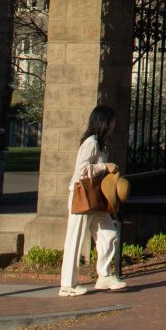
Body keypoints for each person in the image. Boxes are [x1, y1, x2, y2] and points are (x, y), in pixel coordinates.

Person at [59, 105, 126, 296]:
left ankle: (104, 276)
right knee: (76, 238)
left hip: (95, 196)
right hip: (81, 195)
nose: (114, 124)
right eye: (111, 121)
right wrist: (106, 166)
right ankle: (68, 285)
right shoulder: (91, 142)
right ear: (104, 122)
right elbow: (82, 169)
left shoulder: (102, 143)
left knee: (109, 234)